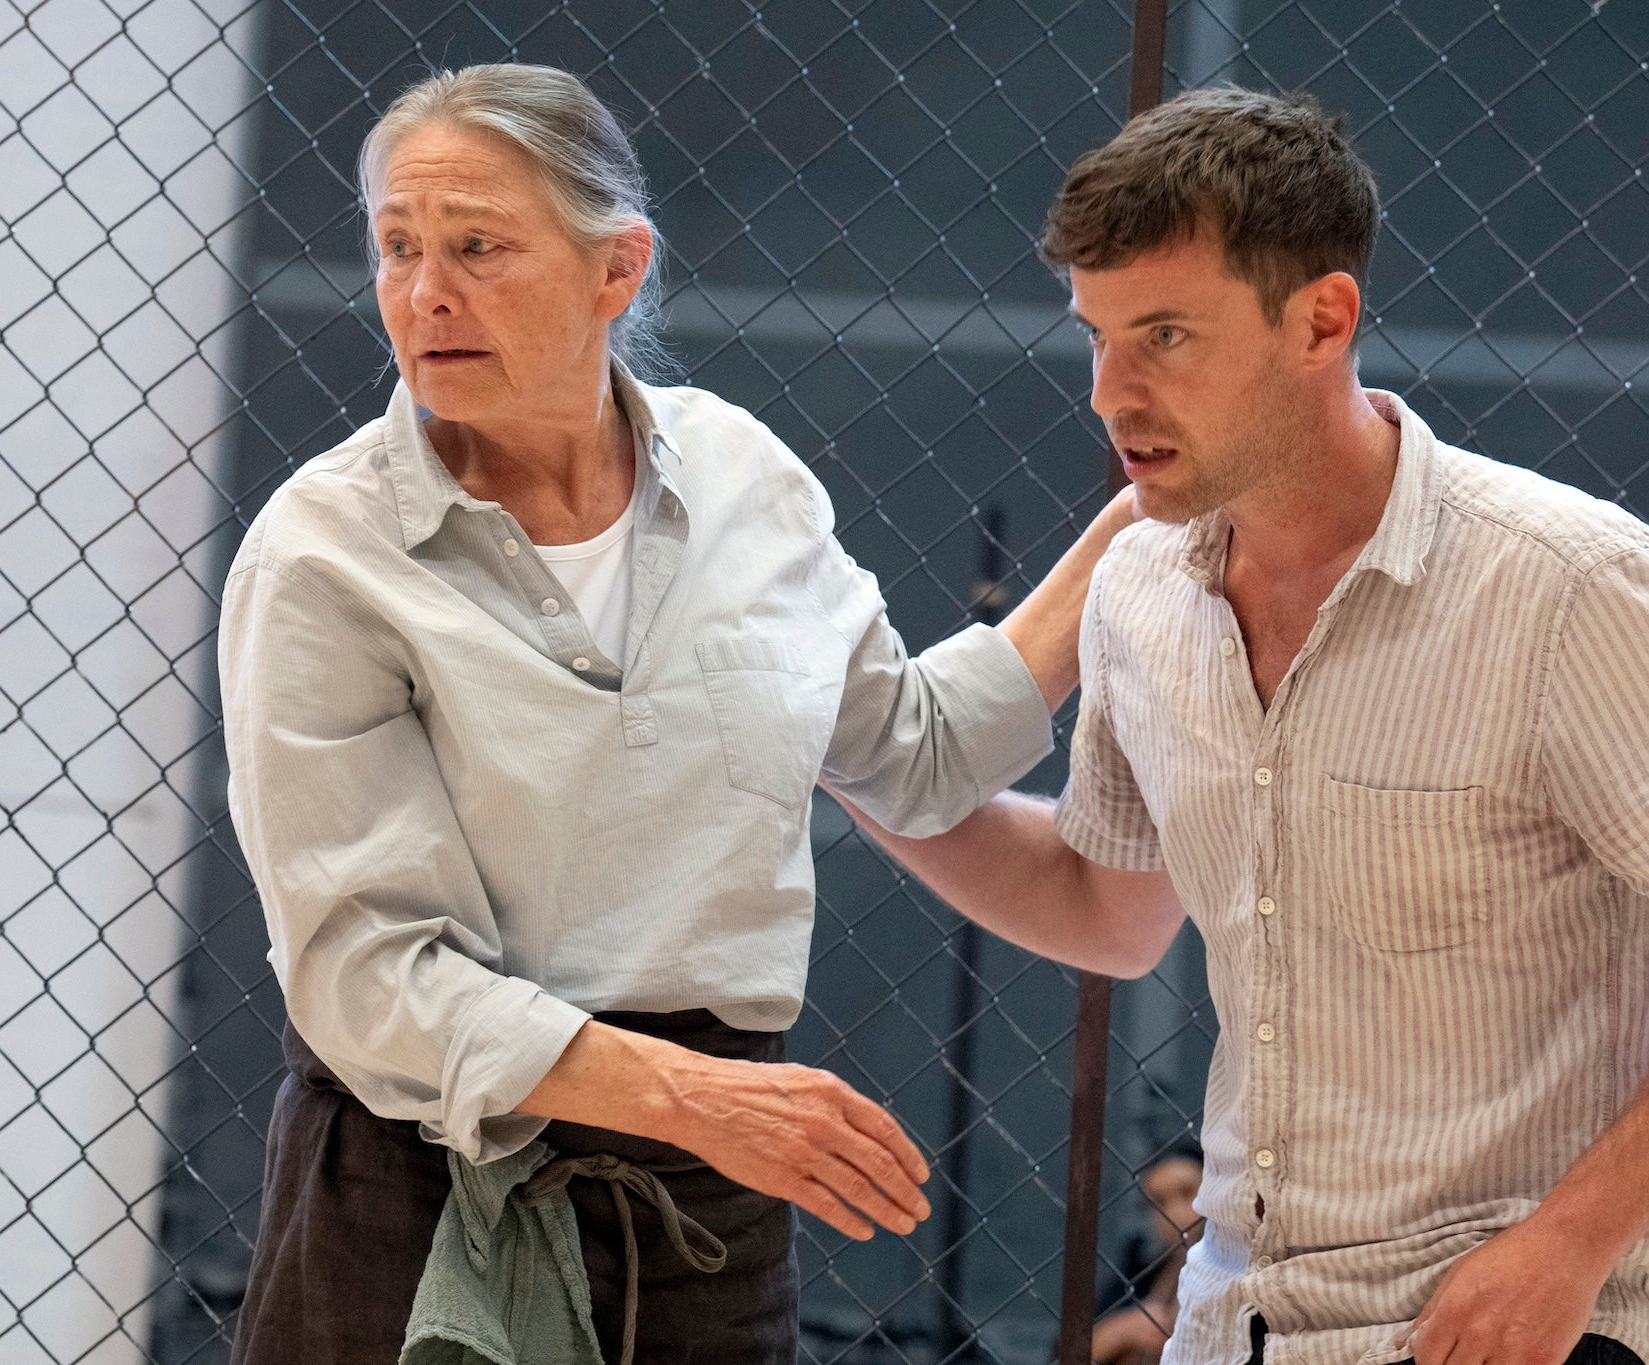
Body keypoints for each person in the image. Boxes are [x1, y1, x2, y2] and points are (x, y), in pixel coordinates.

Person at [837, 86, 1649, 1365]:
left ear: (1319, 319)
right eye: (1097, 336)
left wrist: (1569, 1243)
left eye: (1165, 335)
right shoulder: (1137, 591)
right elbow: (1105, 908)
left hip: (1513, 1330)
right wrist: (847, 763)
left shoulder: (1562, 579)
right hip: (1231, 1326)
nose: (1112, 392)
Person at [218, 63, 1136, 1365]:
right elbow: (370, 973)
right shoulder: (322, 553)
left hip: (705, 1212)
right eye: (397, 247)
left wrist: (1138, 529)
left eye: (477, 247)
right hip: (425, 1194)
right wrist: (699, 1098)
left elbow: (915, 756)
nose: (426, 294)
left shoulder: (748, 477)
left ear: (617, 269)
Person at [1094, 1147, 1208, 1365]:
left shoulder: (1245, 1270)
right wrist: (1121, 1330)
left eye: (1187, 1192)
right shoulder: (1144, 1270)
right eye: (1159, 1201)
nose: (1173, 1212)